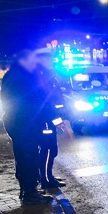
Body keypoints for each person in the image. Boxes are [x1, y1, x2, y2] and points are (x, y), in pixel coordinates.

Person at [1, 49, 53, 205]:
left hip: (19, 123)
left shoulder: (13, 76)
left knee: (25, 157)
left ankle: (27, 190)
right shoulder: (22, 78)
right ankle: (30, 194)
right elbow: (35, 102)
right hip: (24, 124)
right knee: (28, 159)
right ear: (23, 61)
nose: (35, 63)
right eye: (32, 60)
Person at [34, 47, 67, 189]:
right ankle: (46, 181)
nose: (51, 61)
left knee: (51, 150)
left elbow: (56, 100)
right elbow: (46, 105)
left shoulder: (49, 76)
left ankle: (48, 176)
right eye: (48, 59)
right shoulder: (41, 77)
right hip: (45, 122)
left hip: (50, 120)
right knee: (47, 151)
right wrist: (59, 122)